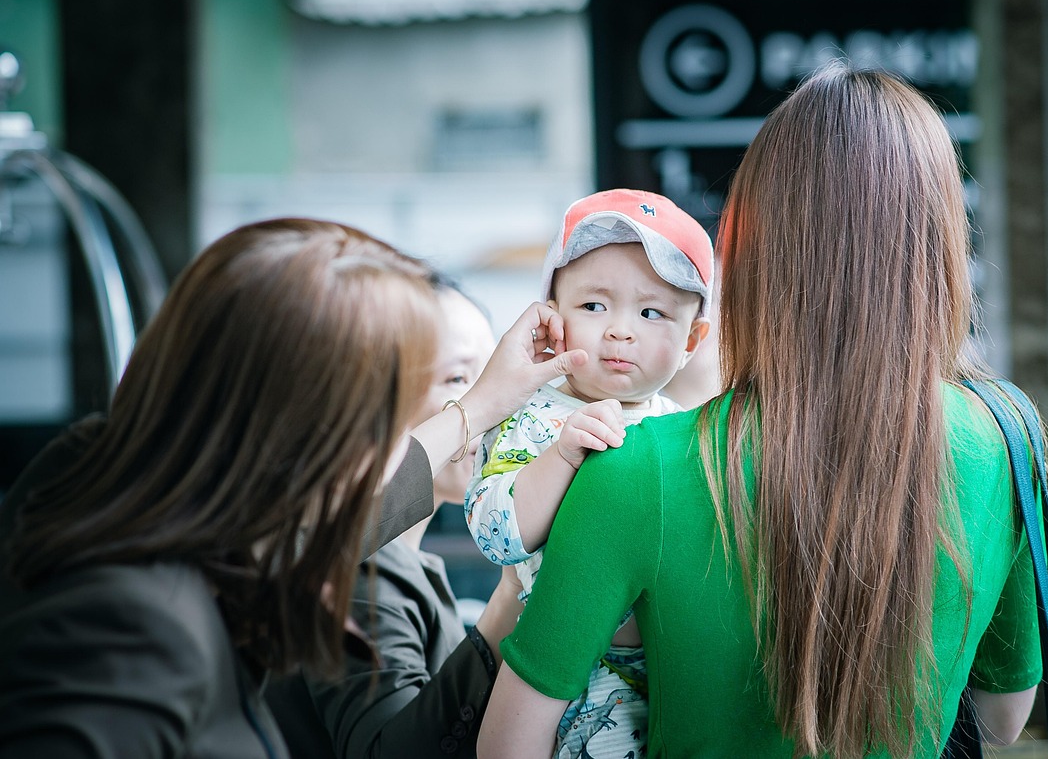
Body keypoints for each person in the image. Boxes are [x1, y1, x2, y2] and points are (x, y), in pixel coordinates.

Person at [477, 67, 1044, 759]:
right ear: (938, 246)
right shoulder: (1004, 436)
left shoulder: (631, 466)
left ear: (750, 256)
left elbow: (507, 747)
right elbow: (1003, 716)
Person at [0, 218, 588, 758]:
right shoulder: (137, 627)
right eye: (385, 418)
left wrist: (477, 407)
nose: (402, 448)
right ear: (300, 430)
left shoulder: (110, 478)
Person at [464, 189, 713, 759]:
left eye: (652, 313)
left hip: (671, 662)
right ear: (553, 315)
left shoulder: (684, 429)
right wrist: (562, 455)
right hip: (573, 666)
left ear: (692, 341)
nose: (621, 330)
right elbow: (495, 532)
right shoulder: (532, 414)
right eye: (595, 307)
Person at [265, 278, 527, 759]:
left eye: (494, 374)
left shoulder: (399, 560)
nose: (500, 405)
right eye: (458, 378)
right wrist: (509, 601)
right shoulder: (365, 576)